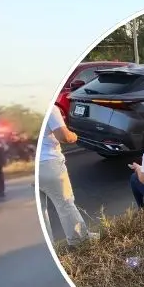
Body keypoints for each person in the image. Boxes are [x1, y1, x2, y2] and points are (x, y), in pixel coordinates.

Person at [37, 104, 95, 246]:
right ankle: (79, 240)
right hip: (49, 164)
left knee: (40, 212)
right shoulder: (50, 108)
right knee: (65, 203)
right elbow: (63, 136)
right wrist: (73, 136)